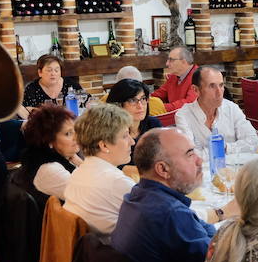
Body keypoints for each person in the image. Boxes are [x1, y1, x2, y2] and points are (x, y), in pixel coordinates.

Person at [111, 128, 217, 262]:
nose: (199, 160)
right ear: (163, 169)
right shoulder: (169, 214)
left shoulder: (136, 195)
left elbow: (203, 228)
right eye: (190, 155)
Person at [63, 104, 136, 237]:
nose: (132, 142)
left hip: (86, 253)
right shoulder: (116, 182)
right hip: (111, 254)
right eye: (125, 136)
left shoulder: (78, 172)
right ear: (104, 145)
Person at [175, 66, 258, 153]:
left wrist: (225, 147)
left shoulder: (231, 108)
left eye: (221, 85)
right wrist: (226, 149)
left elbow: (254, 141)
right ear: (196, 90)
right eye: (212, 86)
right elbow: (189, 154)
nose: (219, 93)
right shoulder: (183, 115)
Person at [19, 104, 81, 202]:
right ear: (49, 141)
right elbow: (92, 196)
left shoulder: (64, 156)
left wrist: (77, 160)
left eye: (75, 130)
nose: (76, 137)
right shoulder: (49, 169)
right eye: (68, 133)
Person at [106, 79, 162, 157]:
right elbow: (116, 165)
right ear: (118, 104)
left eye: (143, 99)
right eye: (132, 100)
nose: (140, 106)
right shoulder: (110, 130)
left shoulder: (153, 124)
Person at [153, 46, 199, 112]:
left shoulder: (198, 76)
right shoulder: (174, 76)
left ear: (183, 62)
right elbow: (159, 94)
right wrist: (144, 101)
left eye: (171, 60)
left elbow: (190, 103)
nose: (167, 64)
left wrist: (161, 107)